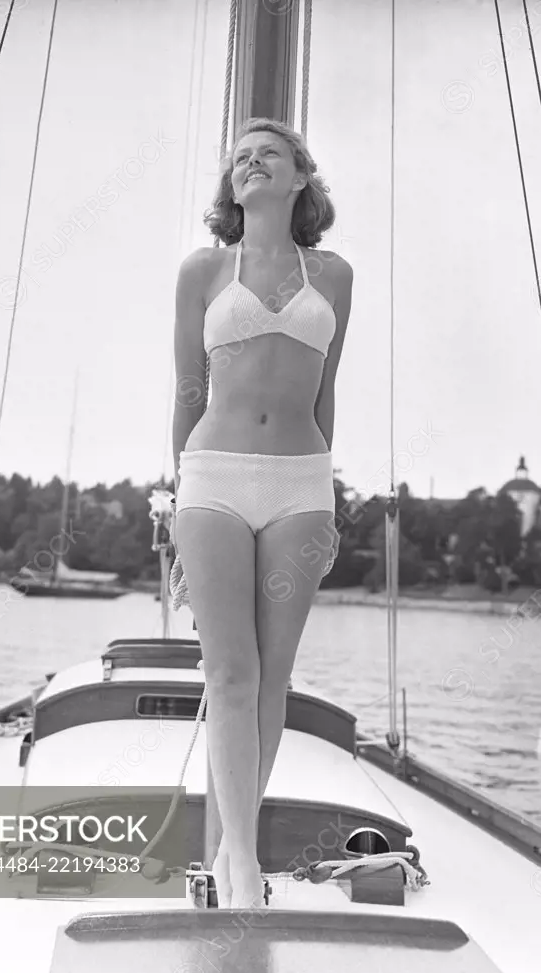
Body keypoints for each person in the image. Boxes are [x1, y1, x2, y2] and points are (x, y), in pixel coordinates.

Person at [170, 117, 353, 909]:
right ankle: (239, 863)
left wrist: (329, 495)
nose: (250, 164)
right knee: (231, 673)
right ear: (230, 183)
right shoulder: (204, 270)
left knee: (273, 676)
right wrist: (174, 501)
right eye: (239, 159)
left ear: (300, 176)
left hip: (301, 485)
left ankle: (229, 852)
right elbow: (185, 389)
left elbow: (327, 389)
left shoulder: (336, 274)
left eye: (267, 155)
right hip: (212, 476)